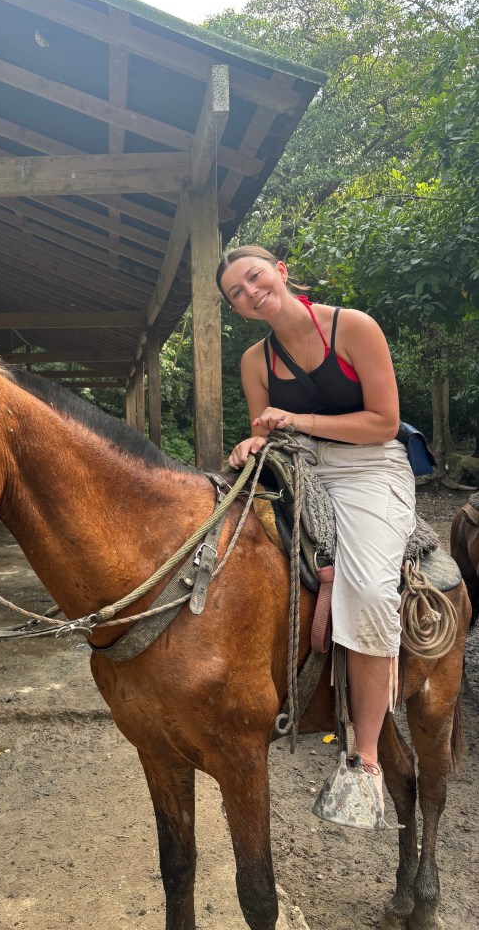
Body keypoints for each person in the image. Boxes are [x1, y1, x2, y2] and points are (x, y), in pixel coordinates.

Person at [216, 244, 416, 823]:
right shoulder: (255, 361)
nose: (251, 293)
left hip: (370, 466)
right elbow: (265, 430)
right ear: (238, 309)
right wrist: (253, 441)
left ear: (280, 272)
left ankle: (366, 762)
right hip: (299, 465)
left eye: (255, 278)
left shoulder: (353, 327)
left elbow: (384, 421)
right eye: (237, 294)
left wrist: (298, 420)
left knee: (370, 589)